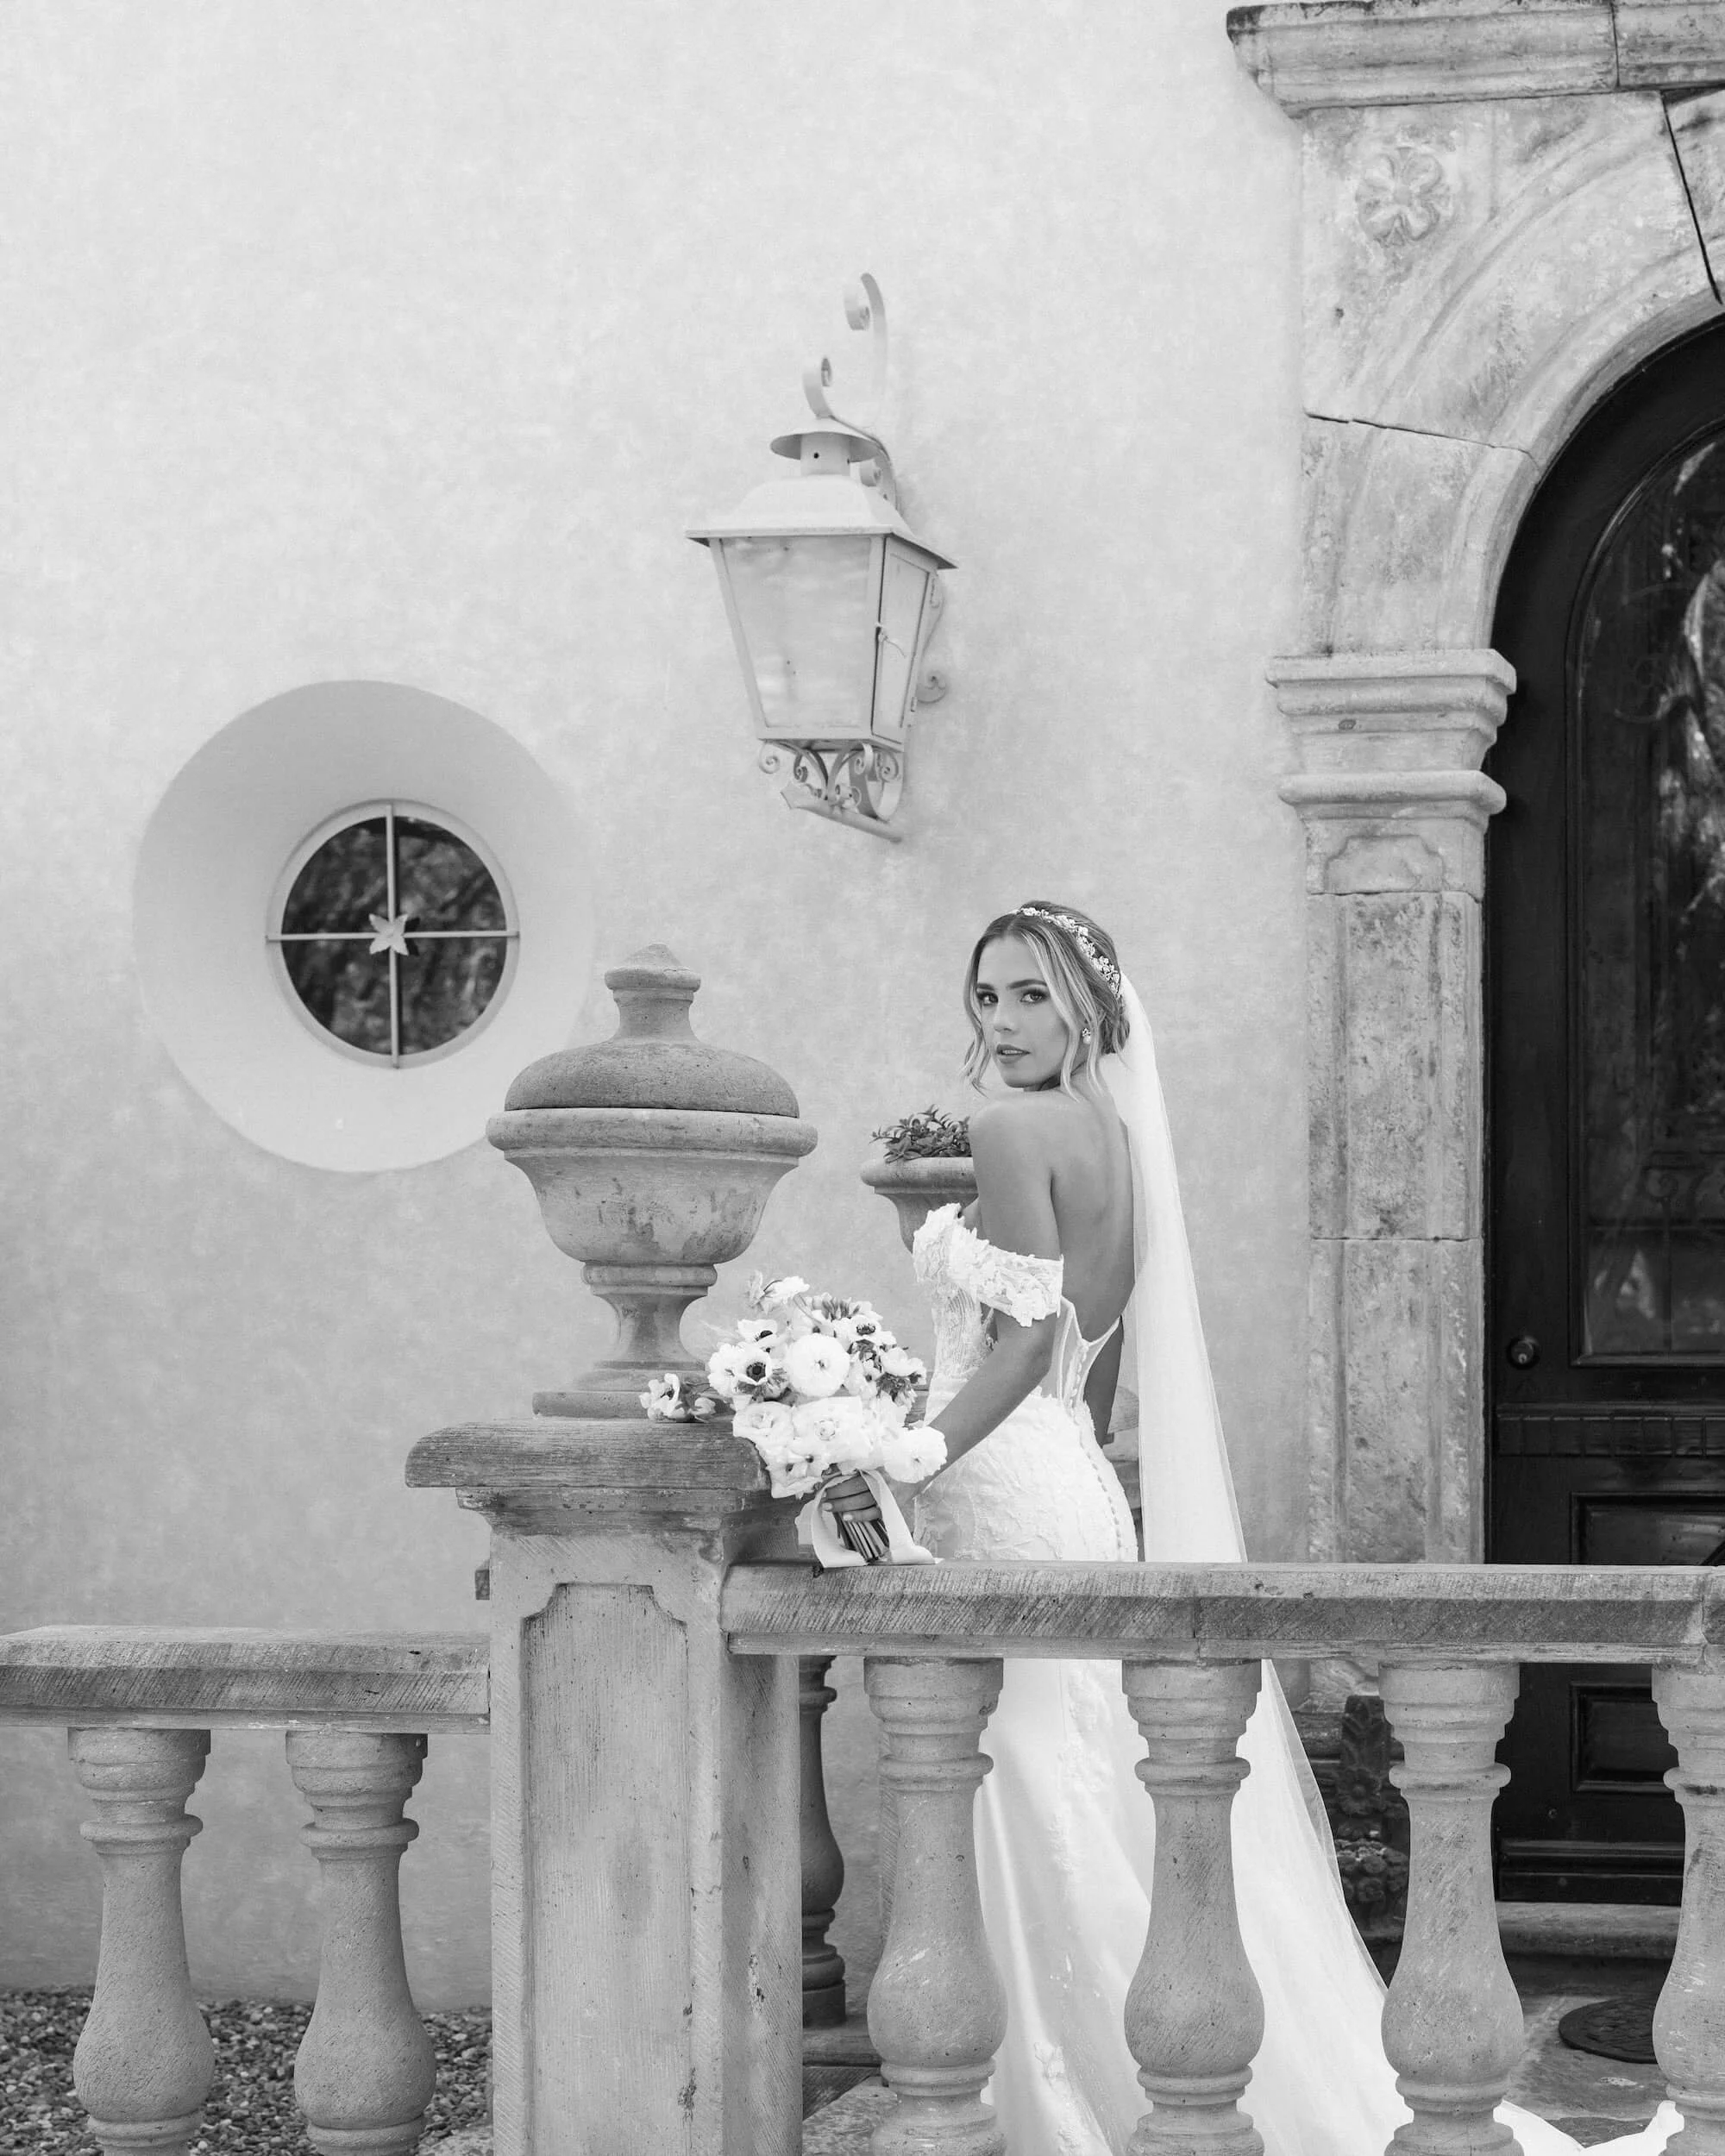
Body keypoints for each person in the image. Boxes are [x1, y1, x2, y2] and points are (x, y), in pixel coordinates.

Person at [881, 900, 1678, 2156]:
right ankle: (1111, 2084)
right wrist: (1048, 1458)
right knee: (1072, 1778)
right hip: (1066, 1483)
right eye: (988, 997)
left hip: (1003, 1482)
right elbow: (1091, 1363)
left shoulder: (1007, 1127)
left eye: (1032, 994)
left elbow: (1031, 1336)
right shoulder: (1122, 1139)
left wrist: (911, 1450)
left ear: (1088, 1003)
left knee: (1032, 1778)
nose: (1005, 1021)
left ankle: (1057, 2103)